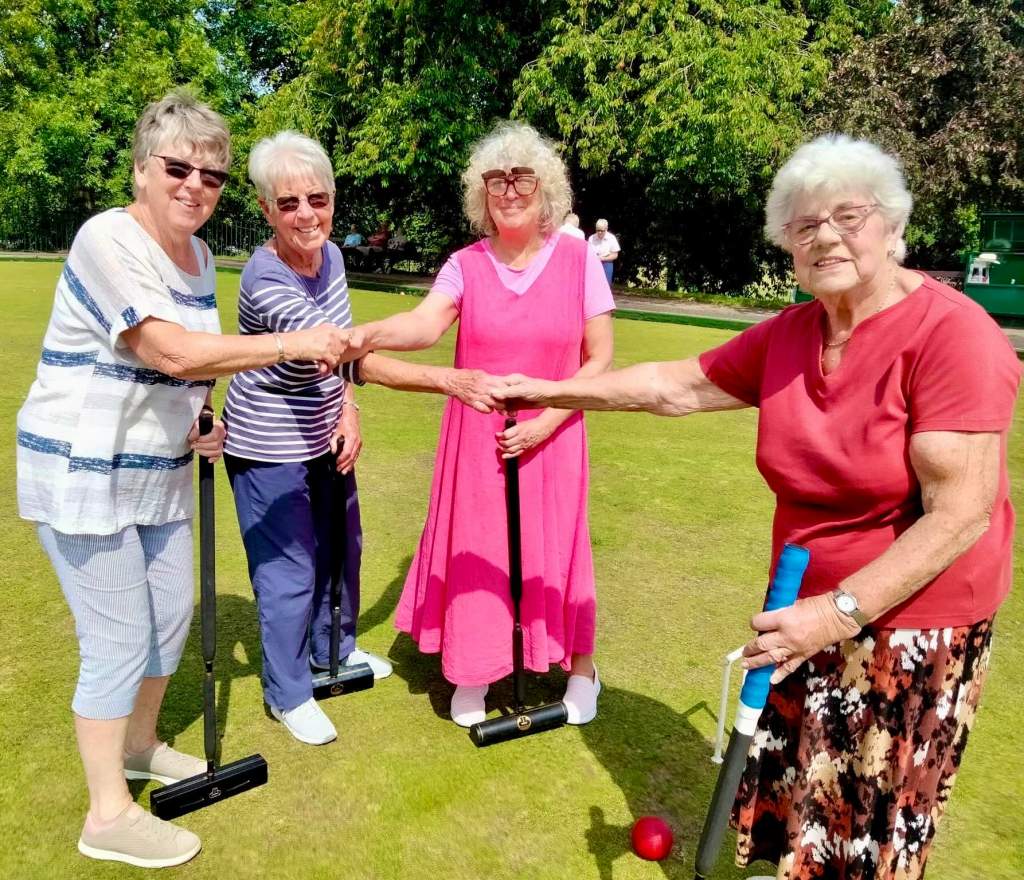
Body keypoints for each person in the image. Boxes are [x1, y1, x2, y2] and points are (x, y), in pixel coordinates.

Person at [493, 134, 1020, 879]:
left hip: (909, 630)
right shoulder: (793, 334)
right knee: (806, 800)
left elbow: (961, 513)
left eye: (848, 217)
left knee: (868, 824)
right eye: (805, 226)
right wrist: (548, 389)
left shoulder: (953, 336)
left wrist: (835, 613)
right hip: (800, 608)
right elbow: (671, 387)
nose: (826, 237)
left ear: (893, 225)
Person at [15, 93, 352, 868]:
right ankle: (107, 815)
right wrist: (291, 344)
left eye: (213, 175)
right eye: (178, 168)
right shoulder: (107, 238)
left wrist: (200, 416)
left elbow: (185, 373)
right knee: (117, 638)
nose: (195, 185)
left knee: (169, 617)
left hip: (158, 471)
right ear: (142, 170)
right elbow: (168, 350)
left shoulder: (198, 259)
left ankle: (139, 744)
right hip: (83, 468)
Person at [342, 120, 615, 727]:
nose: (509, 191)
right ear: (482, 191)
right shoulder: (464, 263)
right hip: (477, 438)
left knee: (559, 548)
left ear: (546, 189)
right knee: (478, 545)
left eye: (522, 179)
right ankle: (475, 667)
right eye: (497, 180)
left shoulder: (579, 260)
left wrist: (547, 420)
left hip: (555, 435)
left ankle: (581, 668)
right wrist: (365, 334)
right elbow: (424, 325)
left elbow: (598, 360)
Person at [221, 131, 392, 747]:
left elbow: (339, 353)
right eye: (288, 202)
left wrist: (349, 411)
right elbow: (331, 345)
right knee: (289, 569)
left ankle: (334, 652)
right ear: (266, 209)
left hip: (324, 429)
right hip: (266, 444)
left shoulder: (334, 258)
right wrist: (447, 378)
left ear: (333, 200)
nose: (305, 215)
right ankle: (289, 691)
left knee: (343, 549)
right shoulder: (264, 276)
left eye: (317, 199)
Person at [587, 218, 620, 284]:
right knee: (593, 284)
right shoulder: (591, 238)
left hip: (607, 264)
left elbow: (615, 255)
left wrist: (603, 258)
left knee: (606, 285)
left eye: (602, 231)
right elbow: (588, 253)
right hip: (594, 264)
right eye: (598, 230)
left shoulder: (611, 238)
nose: (599, 232)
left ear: (606, 229)